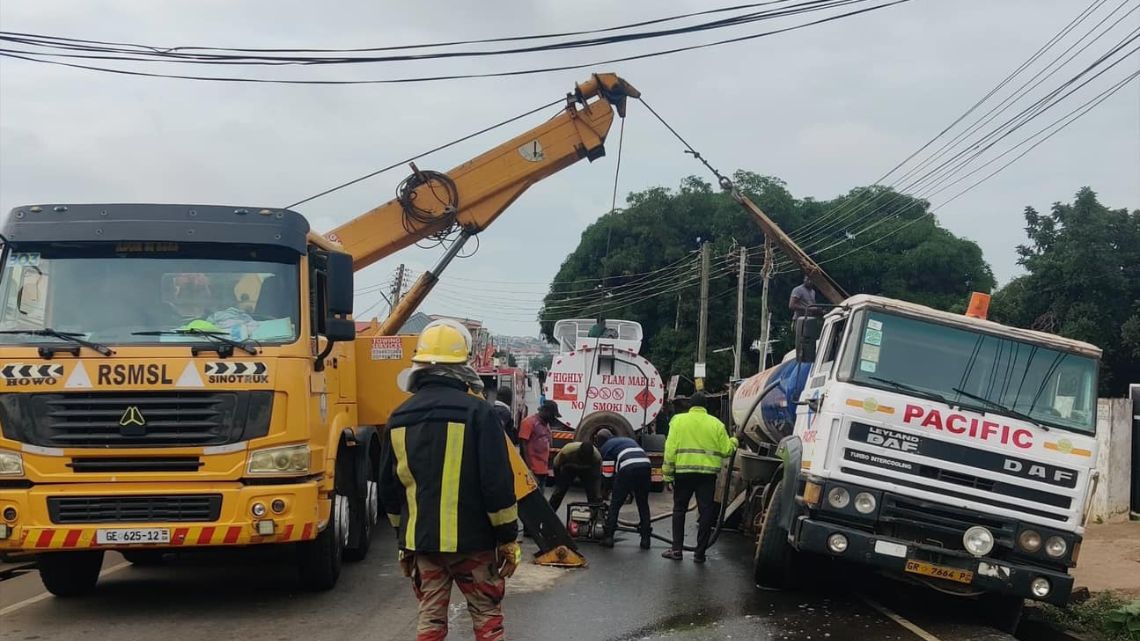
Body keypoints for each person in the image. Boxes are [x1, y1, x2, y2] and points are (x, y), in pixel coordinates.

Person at [379, 319, 521, 641]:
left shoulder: (398, 417)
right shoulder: (479, 413)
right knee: (486, 617)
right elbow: (496, 483)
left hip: (424, 543)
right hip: (475, 543)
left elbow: (389, 488)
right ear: (463, 364)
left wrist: (403, 540)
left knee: (430, 619)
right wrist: (508, 538)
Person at [661, 392, 737, 563]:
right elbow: (726, 450)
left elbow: (670, 449)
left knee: (679, 510)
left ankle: (677, 550)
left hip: (683, 473)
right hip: (707, 476)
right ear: (706, 407)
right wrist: (735, 441)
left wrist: (667, 475)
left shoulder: (678, 421)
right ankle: (700, 553)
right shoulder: (716, 424)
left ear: (690, 406)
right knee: (705, 513)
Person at [595, 429, 653, 550]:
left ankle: (608, 537)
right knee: (643, 503)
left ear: (600, 441)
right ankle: (645, 540)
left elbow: (607, 474)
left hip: (628, 467)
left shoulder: (606, 447)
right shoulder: (626, 440)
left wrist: (606, 491)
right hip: (646, 465)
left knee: (615, 504)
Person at [547, 441, 603, 513]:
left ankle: (595, 515)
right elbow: (556, 465)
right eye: (583, 458)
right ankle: (549, 513)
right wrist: (558, 482)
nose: (584, 460)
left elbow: (597, 476)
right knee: (559, 492)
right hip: (570, 467)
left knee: (593, 495)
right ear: (579, 452)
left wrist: (598, 493)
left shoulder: (597, 457)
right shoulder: (567, 451)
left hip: (587, 470)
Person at [518, 401, 558, 493]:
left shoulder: (546, 424)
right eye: (552, 415)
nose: (553, 418)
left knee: (540, 500)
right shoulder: (529, 422)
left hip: (543, 470)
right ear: (546, 412)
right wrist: (528, 470)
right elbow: (523, 447)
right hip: (532, 471)